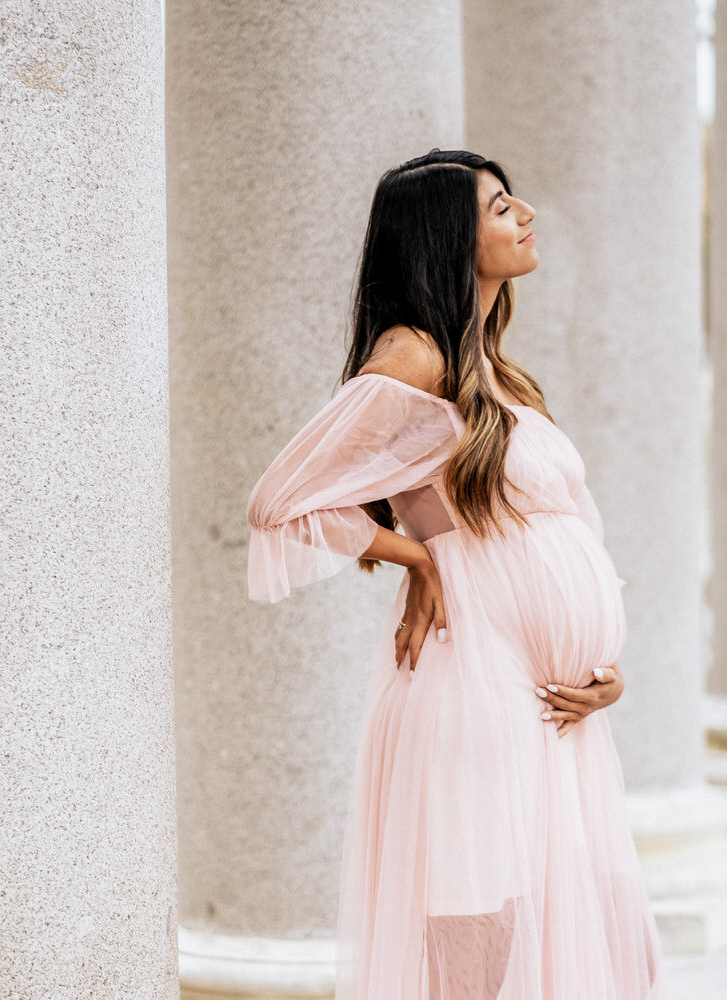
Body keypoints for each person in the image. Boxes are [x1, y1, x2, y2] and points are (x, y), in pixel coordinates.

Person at [244, 150, 668, 999]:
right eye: (503, 206)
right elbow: (280, 501)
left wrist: (604, 667)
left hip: (554, 709)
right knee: (482, 937)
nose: (528, 215)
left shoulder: (497, 374)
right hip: (474, 684)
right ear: (447, 236)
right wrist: (416, 555)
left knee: (587, 938)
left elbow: (565, 526)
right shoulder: (414, 355)